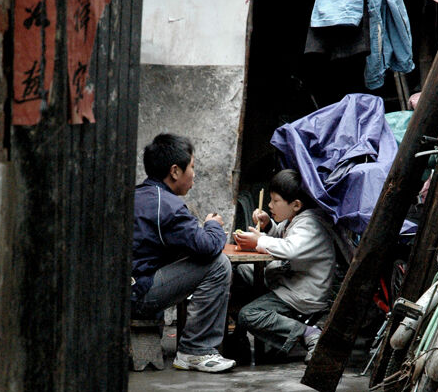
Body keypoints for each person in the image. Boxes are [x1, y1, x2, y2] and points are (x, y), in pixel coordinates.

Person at [131, 133, 235, 373]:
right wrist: (213, 225)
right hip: (139, 295)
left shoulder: (138, 195)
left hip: (120, 291)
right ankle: (195, 350)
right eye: (192, 167)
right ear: (175, 171)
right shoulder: (168, 206)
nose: (194, 174)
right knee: (218, 264)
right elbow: (207, 246)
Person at [233, 169, 337, 362]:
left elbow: (290, 248)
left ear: (296, 205)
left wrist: (259, 240)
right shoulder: (294, 220)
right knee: (242, 271)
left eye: (275, 201)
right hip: (288, 284)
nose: (270, 205)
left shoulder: (310, 225)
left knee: (249, 315)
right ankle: (239, 341)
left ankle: (308, 333)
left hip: (302, 295)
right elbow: (281, 236)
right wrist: (267, 226)